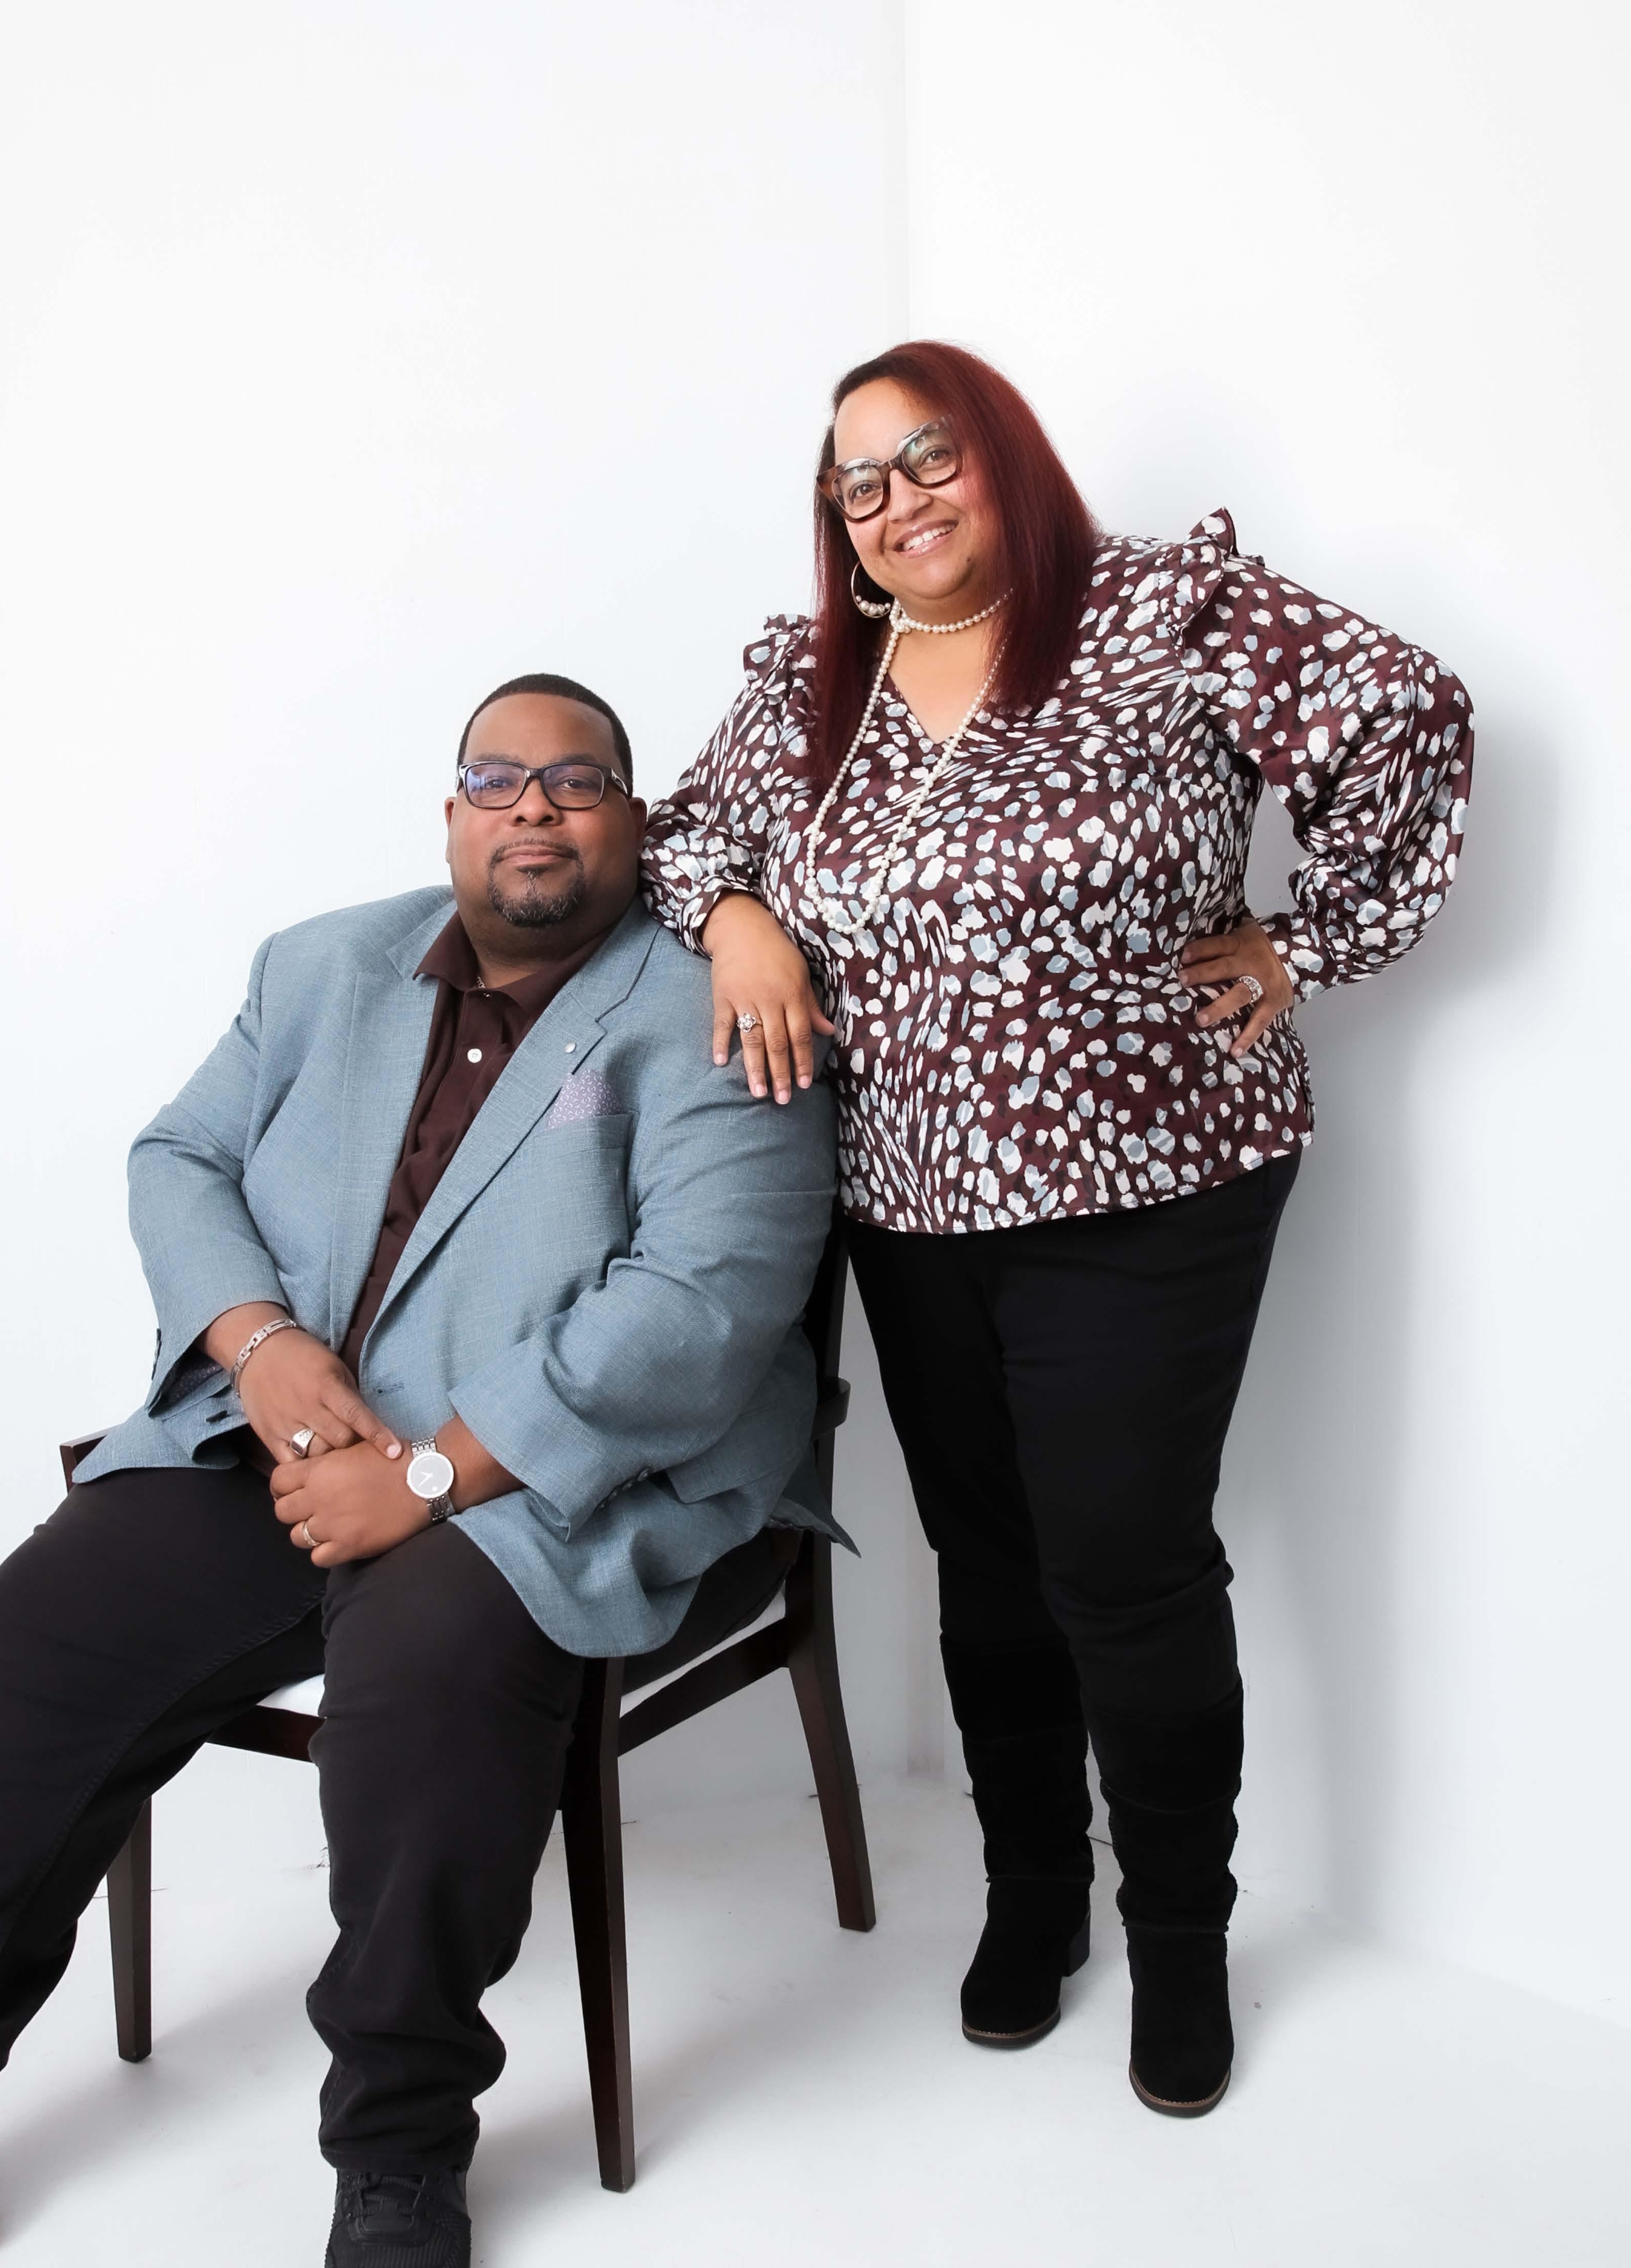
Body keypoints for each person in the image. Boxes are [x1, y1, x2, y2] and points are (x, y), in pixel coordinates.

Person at [0, 675, 837, 2265]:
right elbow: (179, 1159)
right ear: (452, 813)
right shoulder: (320, 964)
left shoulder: (712, 1006)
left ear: (635, 819)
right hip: (299, 1436)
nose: (533, 806)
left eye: (577, 780)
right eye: (497, 777)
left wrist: (436, 1476)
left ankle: (398, 2148)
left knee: (426, 1661)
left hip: (562, 1473)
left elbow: (705, 1303)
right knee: (59, 1604)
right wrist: (257, 1345)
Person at [640, 341, 1473, 2117]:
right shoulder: (815, 679)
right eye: (859, 483)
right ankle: (1034, 1891)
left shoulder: (1165, 608)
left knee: (1123, 1561)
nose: (899, 501)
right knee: (987, 1558)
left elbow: (1407, 714)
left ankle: (1180, 1936)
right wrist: (739, 923)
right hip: (909, 1192)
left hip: (1151, 1179)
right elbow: (680, 833)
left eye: (929, 455)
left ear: (1003, 452)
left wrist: (1303, 940)